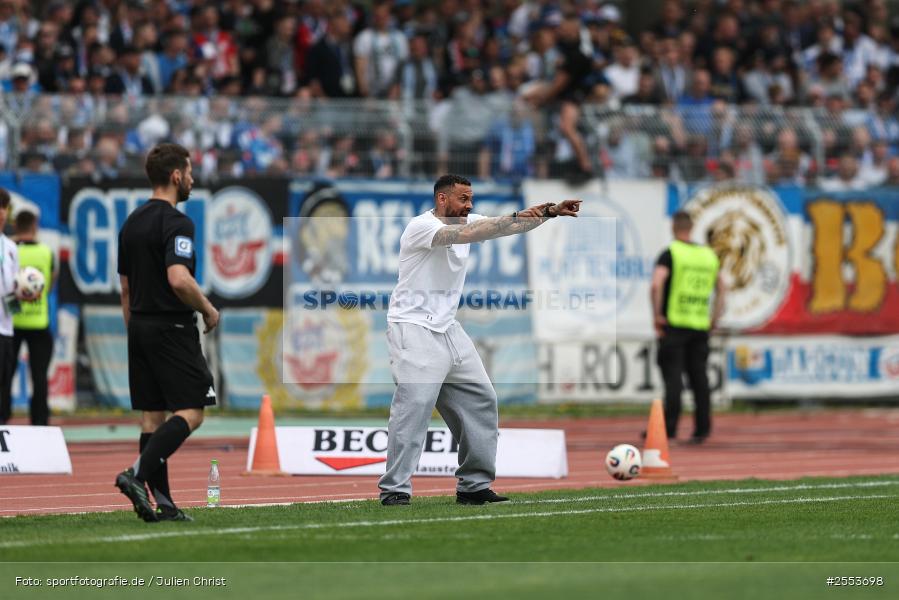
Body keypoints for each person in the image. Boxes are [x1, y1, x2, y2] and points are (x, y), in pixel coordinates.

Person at [379, 174, 581, 506]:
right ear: (442, 199)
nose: (469, 205)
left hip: (447, 328)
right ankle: (395, 490)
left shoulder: (468, 220)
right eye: (463, 199)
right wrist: (511, 219)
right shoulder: (421, 227)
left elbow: (508, 227)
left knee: (482, 400)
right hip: (412, 328)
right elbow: (474, 232)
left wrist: (550, 212)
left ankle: (473, 485)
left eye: (471, 199)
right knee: (413, 410)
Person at [114, 143, 219, 522]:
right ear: (176, 176)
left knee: (151, 419)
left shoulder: (131, 223)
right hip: (171, 327)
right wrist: (206, 307)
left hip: (139, 325)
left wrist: (135, 331)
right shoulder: (177, 223)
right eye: (189, 172)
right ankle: (136, 475)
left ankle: (166, 505)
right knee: (192, 411)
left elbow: (125, 288)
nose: (192, 179)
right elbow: (178, 279)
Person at [650, 211, 725, 445]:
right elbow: (723, 288)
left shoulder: (671, 253)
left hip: (675, 324)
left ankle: (669, 430)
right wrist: (715, 317)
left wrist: (657, 315)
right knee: (700, 379)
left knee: (673, 379)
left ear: (674, 227)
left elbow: (656, 284)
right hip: (700, 325)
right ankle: (702, 429)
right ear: (692, 227)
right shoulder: (708, 255)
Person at [11, 210, 55, 426]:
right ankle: (40, 424)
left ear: (15, 225)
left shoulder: (9, 250)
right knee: (39, 378)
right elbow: (50, 284)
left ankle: (3, 419)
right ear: (34, 225)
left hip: (12, 322)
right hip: (39, 322)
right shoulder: (46, 252)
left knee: (4, 377)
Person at [0, 189, 21, 425]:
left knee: (4, 388)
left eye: (4, 207)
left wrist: (22, 298)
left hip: (6, 329)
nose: (2, 213)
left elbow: (13, 289)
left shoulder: (11, 248)